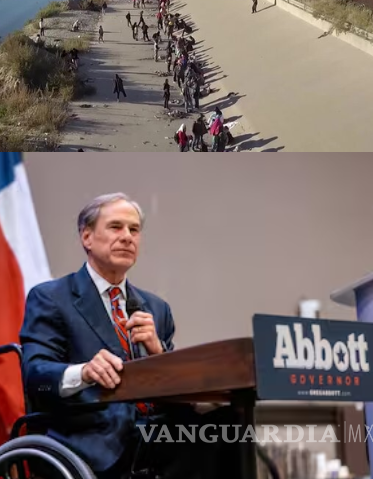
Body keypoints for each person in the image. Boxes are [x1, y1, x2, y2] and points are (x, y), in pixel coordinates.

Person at [20, 193, 243, 477]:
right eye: (116, 227)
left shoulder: (156, 309)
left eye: (134, 230)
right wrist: (85, 371)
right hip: (92, 437)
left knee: (229, 426)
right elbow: (36, 375)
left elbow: (173, 395)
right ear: (87, 237)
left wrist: (159, 354)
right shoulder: (52, 298)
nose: (127, 237)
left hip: (154, 431)